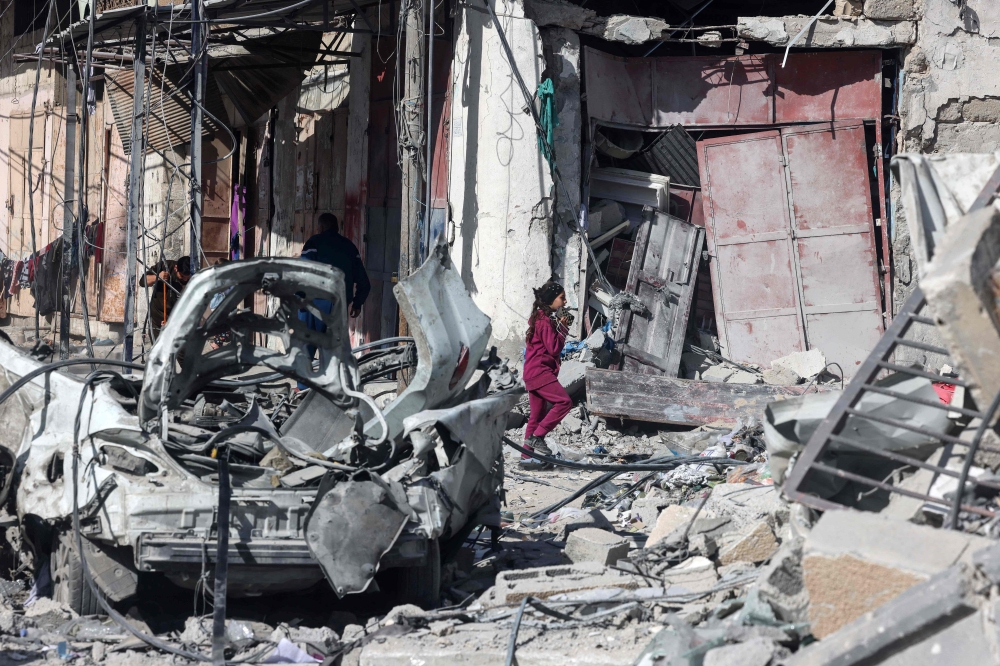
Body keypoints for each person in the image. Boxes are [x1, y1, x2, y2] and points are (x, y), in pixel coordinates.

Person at [521, 279, 573, 464]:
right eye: (562, 298)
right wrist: (564, 328)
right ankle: (538, 436)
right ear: (552, 299)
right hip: (540, 372)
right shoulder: (544, 321)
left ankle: (526, 458)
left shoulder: (541, 318)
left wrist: (558, 325)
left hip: (533, 372)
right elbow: (553, 349)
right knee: (564, 403)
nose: (564, 302)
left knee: (536, 416)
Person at [144, 255, 192, 339]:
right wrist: (157, 277)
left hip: (179, 321)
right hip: (159, 318)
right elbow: (143, 281)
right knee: (159, 349)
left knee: (178, 350)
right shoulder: (165, 266)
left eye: (187, 278)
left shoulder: (193, 277)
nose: (185, 280)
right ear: (176, 268)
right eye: (182, 276)